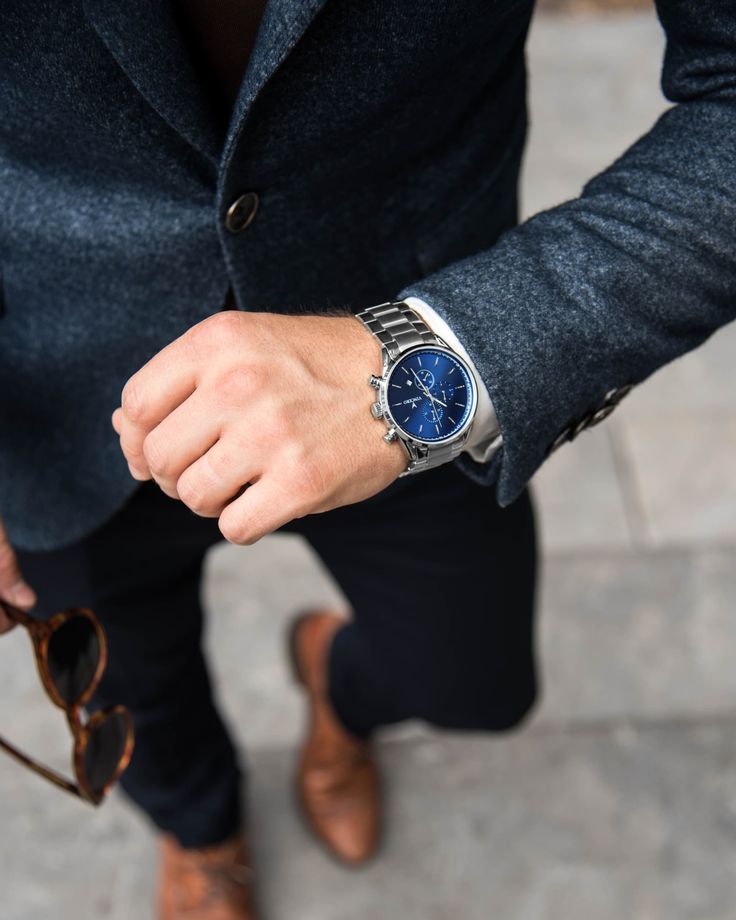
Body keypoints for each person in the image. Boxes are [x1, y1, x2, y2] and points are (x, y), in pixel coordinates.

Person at [1, 1, 734, 917]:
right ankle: (203, 833)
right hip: (50, 385)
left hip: (395, 364)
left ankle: (336, 686)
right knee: (131, 692)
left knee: (475, 683)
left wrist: (439, 352)